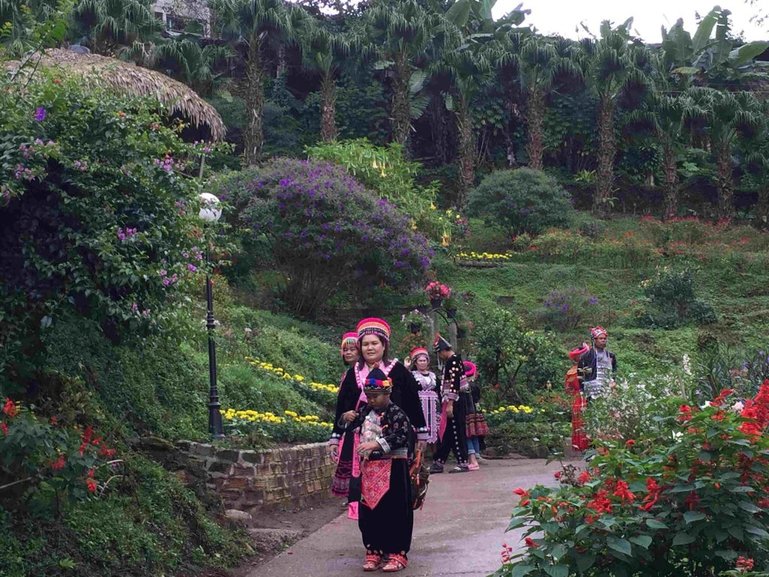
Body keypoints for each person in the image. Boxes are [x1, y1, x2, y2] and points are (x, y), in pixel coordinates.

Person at [338, 367, 414, 572]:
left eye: (375, 396)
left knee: (395, 511)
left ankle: (397, 553)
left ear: (387, 394)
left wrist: (377, 444)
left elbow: (402, 436)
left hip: (393, 468)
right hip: (369, 469)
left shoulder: (397, 413)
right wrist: (346, 418)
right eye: (368, 396)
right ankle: (374, 550)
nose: (371, 400)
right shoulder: (364, 411)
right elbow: (350, 427)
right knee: (370, 512)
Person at [329, 332, 361, 509]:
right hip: (351, 426)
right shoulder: (348, 375)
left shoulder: (366, 373)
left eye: (352, 349)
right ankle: (353, 495)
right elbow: (341, 406)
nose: (348, 353)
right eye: (345, 350)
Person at [429, 334, 470, 473]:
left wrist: (450, 403)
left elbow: (454, 383)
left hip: (455, 401)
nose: (439, 356)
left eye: (439, 353)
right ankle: (439, 461)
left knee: (456, 431)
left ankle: (463, 462)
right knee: (447, 432)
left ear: (443, 350)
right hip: (453, 400)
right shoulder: (454, 360)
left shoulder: (452, 361)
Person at [407, 346, 440, 446]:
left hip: (433, 405)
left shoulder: (433, 375)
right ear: (415, 363)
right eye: (420, 361)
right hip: (419, 404)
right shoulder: (412, 375)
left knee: (434, 426)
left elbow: (438, 389)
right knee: (419, 427)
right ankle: (419, 455)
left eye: (424, 360)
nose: (422, 363)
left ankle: (434, 453)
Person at [578, 326, 617, 400]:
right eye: (600, 338)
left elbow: (614, 371)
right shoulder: (586, 356)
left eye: (605, 338)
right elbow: (580, 374)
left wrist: (613, 381)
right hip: (592, 389)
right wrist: (582, 390)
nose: (603, 340)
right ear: (594, 340)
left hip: (607, 387)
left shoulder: (611, 356)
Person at [463, 360, 489, 470]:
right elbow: (477, 398)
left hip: (466, 413)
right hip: (476, 412)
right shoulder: (475, 386)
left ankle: (471, 455)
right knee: (475, 434)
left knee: (467, 435)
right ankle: (477, 453)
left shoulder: (464, 386)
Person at [565, 343, 590, 451]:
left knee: (577, 420)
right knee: (587, 419)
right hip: (586, 395)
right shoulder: (587, 370)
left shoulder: (570, 372)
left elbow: (567, 389)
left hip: (576, 398)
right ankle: (587, 443)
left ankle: (578, 444)